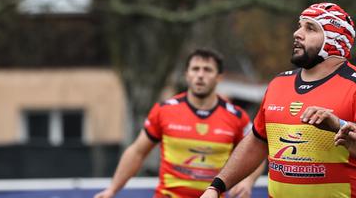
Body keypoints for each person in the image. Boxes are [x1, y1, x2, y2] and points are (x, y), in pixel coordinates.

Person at [199, 2, 356, 198]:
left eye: (310, 28)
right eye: (300, 26)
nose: (297, 33)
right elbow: (257, 141)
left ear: (334, 39)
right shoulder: (279, 83)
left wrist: (339, 125)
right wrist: (217, 186)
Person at [94, 49, 257, 198]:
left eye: (207, 70)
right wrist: (112, 189)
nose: (200, 75)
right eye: (195, 69)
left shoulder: (236, 117)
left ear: (219, 77)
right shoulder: (164, 110)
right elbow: (137, 151)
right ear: (187, 74)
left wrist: (247, 181)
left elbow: (255, 150)